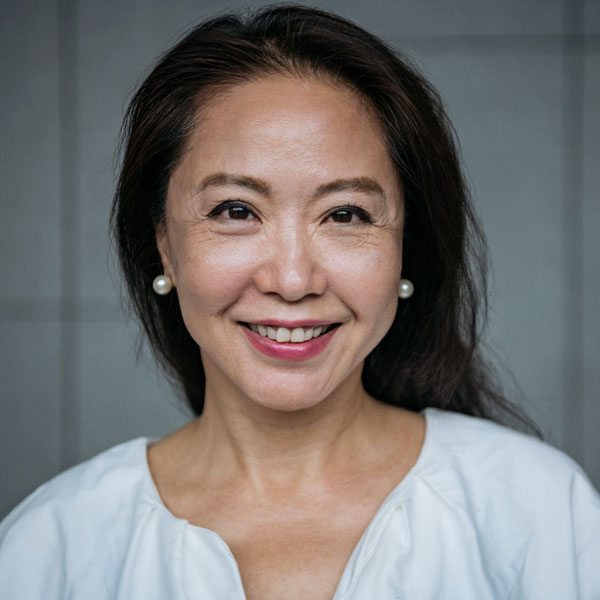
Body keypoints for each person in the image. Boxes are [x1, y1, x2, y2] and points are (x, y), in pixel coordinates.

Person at [1, 4, 599, 598]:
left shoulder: (541, 516)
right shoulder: (52, 548)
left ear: (405, 251)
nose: (292, 279)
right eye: (235, 211)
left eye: (345, 214)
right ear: (163, 247)